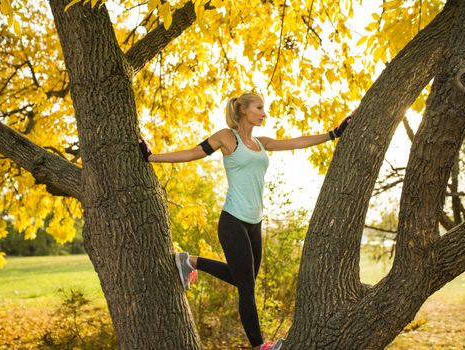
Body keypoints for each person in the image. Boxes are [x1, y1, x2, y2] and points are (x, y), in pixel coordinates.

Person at [138, 92, 351, 350]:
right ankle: (260, 346)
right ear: (243, 111)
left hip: (255, 223)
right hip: (233, 221)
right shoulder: (227, 138)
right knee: (246, 287)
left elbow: (296, 142)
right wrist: (151, 157)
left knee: (243, 279)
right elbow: (193, 153)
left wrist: (333, 134)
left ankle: (188, 261)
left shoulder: (262, 143)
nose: (264, 113)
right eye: (259, 108)